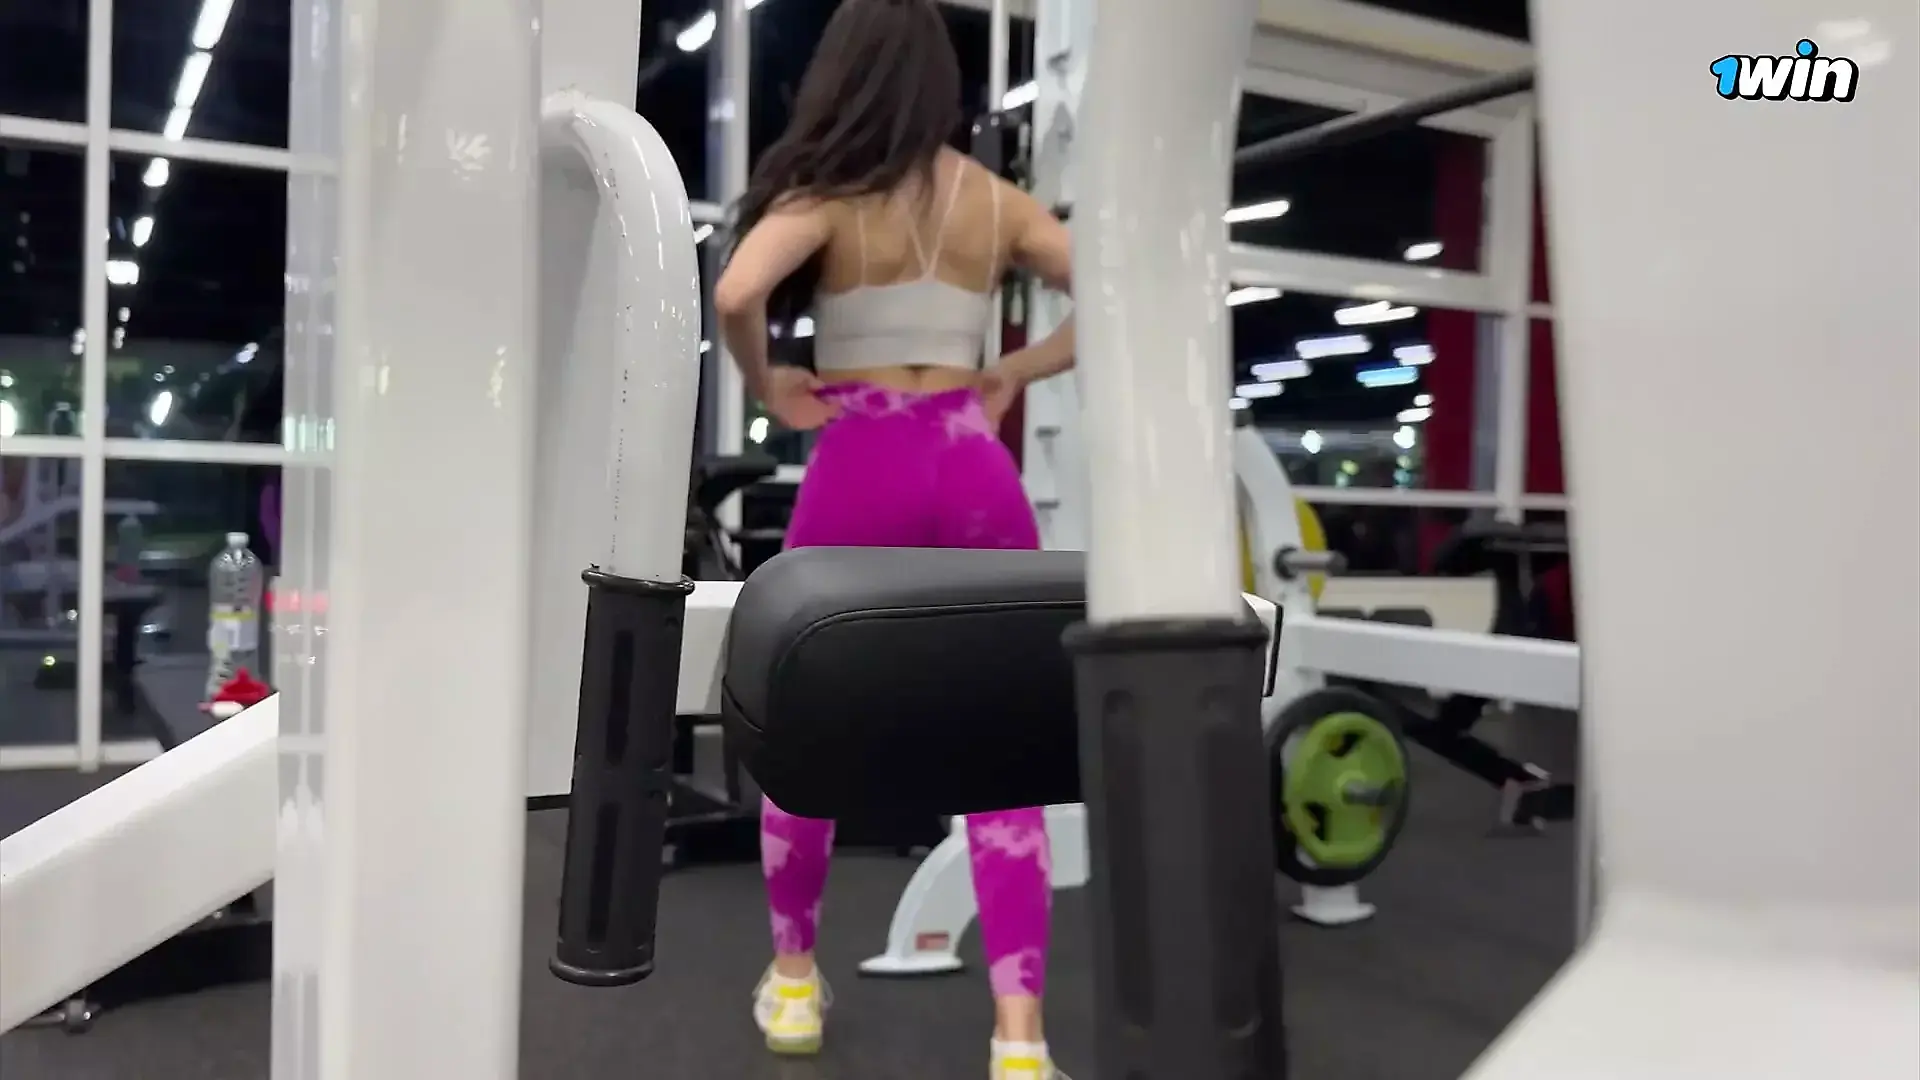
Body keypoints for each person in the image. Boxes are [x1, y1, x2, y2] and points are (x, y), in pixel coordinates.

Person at [712, 1, 1076, 1077]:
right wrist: (1014, 372)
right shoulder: (996, 202)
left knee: (804, 729)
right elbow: (1117, 289)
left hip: (861, 460)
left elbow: (737, 289)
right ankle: (1019, 1041)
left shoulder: (828, 195)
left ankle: (792, 986)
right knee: (1009, 744)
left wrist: (767, 383)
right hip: (971, 464)